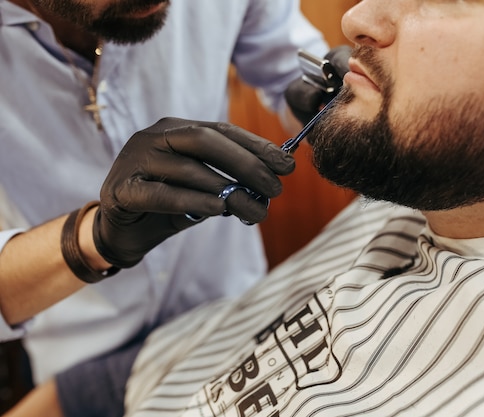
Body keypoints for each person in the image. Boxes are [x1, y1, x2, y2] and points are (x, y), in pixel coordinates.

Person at [7, 0, 484, 415]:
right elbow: (113, 386)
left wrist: (341, 104)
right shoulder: (431, 189)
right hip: (92, 343)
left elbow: (285, 62)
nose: (355, 16)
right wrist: (92, 239)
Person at [0, 0, 351, 409]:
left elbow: (289, 69)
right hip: (85, 363)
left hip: (234, 318)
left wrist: (315, 101)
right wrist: (92, 239)